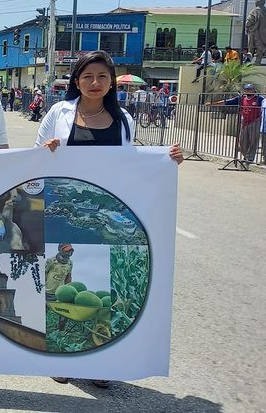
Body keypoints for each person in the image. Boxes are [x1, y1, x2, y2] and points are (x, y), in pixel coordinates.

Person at [38, 51, 183, 388]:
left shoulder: (123, 119)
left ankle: (101, 360)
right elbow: (33, 159)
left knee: (102, 285)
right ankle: (61, 356)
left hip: (106, 219)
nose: (95, 82)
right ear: (77, 81)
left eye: (102, 76)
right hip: (64, 216)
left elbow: (131, 167)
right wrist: (47, 149)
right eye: (88, 76)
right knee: (63, 289)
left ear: (111, 82)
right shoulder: (59, 113)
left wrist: (167, 160)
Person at [206, 84, 264, 163]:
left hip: (255, 121)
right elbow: (227, 102)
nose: (248, 91)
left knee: (253, 140)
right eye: (246, 89)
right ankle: (245, 155)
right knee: (242, 141)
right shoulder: (241, 98)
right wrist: (212, 104)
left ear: (254, 90)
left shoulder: (259, 98)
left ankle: (250, 158)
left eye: (250, 89)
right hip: (244, 121)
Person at [246, 0, 266, 64]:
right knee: (260, 47)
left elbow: (249, 21)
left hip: (254, 31)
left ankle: (249, 61)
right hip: (263, 33)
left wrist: (247, 27)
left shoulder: (254, 11)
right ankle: (258, 61)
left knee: (251, 47)